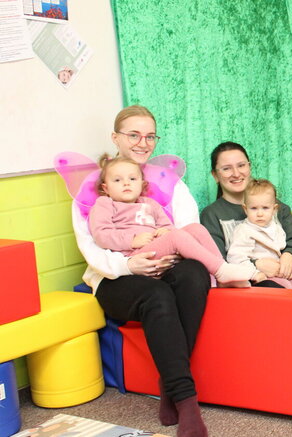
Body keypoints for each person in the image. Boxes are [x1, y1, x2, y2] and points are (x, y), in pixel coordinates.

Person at [71, 105, 208, 436]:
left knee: (195, 274)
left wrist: (171, 257)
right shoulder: (95, 189)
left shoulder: (169, 184)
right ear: (116, 137)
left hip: (164, 264)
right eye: (134, 134)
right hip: (115, 278)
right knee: (157, 294)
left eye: (150, 136)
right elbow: (91, 246)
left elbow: (189, 228)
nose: (143, 142)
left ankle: (168, 384)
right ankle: (187, 402)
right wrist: (128, 264)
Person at [89, 155, 258, 286]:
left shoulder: (150, 203)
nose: (126, 184)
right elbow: (102, 235)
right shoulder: (105, 204)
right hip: (134, 256)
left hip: (158, 249)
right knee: (176, 237)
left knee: (194, 229)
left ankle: (218, 275)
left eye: (132, 179)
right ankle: (222, 271)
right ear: (106, 188)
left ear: (142, 183)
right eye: (117, 180)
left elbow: (167, 226)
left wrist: (166, 231)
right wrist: (132, 240)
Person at [200, 142, 292, 288]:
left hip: (283, 269)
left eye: (241, 165)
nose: (236, 173)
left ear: (249, 167)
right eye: (226, 169)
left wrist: (289, 255)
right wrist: (257, 265)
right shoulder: (211, 214)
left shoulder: (273, 205)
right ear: (215, 175)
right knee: (269, 286)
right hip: (248, 280)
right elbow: (218, 261)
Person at [225, 178, 292, 289]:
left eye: (265, 208)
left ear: (274, 209)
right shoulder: (244, 230)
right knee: (286, 288)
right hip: (260, 276)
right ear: (245, 209)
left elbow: (282, 245)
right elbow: (235, 258)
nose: (260, 213)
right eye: (254, 208)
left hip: (278, 270)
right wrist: (255, 273)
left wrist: (286, 259)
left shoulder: (275, 226)